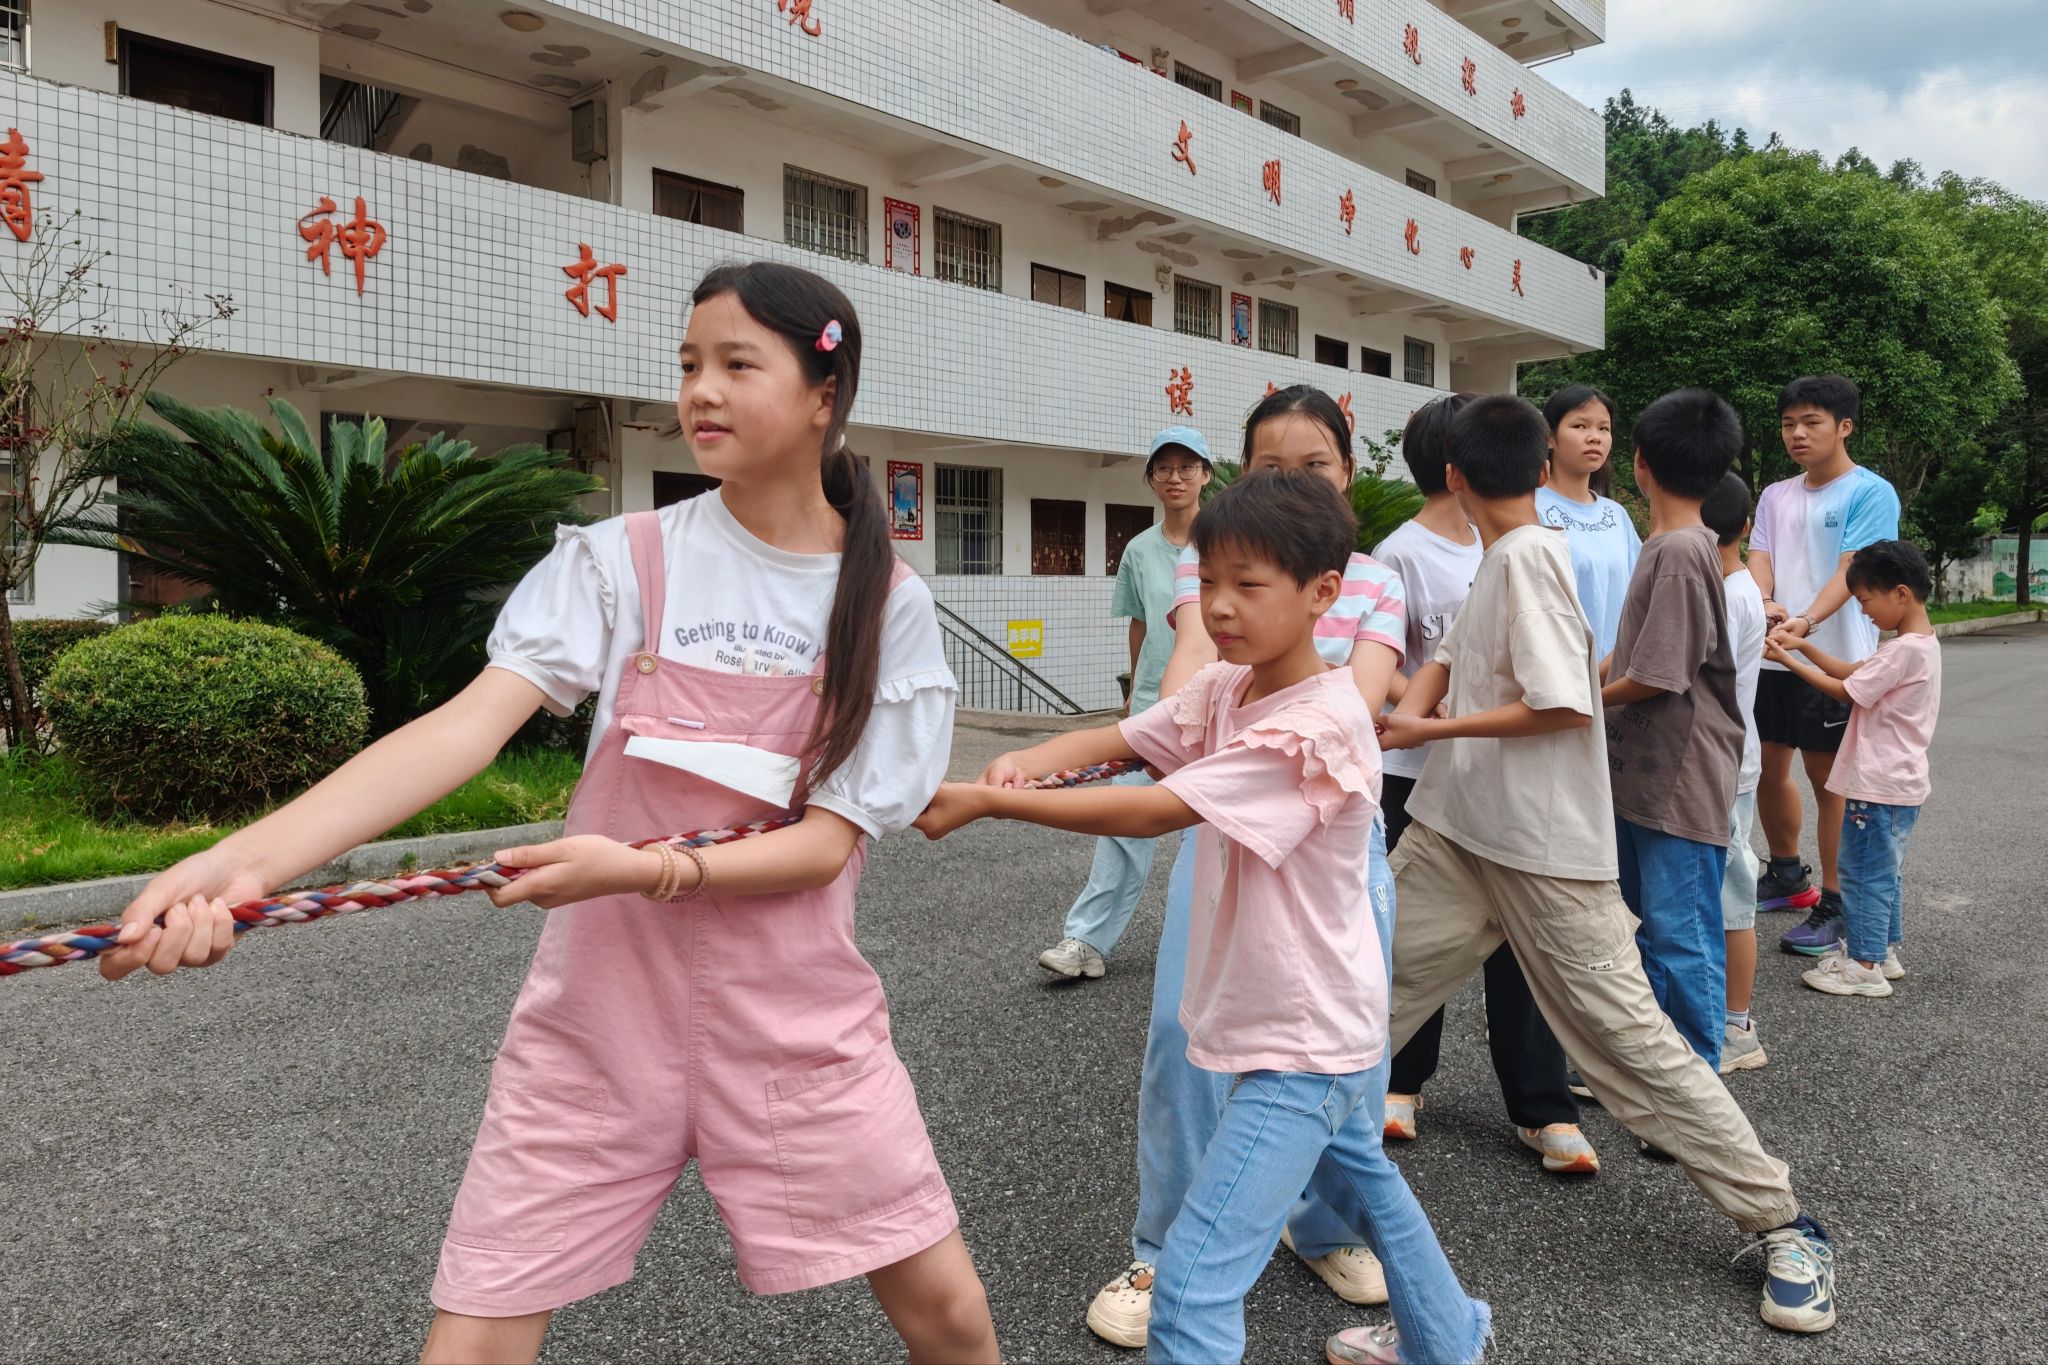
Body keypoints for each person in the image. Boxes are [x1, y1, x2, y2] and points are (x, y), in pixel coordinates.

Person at [92, 262, 1000, 1365]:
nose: (700, 390)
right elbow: (460, 732)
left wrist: (647, 870)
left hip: (801, 1032)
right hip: (596, 1028)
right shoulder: (623, 559)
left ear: (824, 396)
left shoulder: (887, 603)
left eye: (736, 364)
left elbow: (823, 847)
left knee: (951, 1319)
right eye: (688, 364)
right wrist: (242, 865)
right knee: (469, 1346)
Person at [916, 471, 1489, 1365]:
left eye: (1248, 584)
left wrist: (994, 803)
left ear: (1323, 592)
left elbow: (1158, 807)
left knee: (1190, 1288)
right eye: (1209, 579)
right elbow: (1125, 740)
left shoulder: (1318, 725)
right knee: (1370, 1185)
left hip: (1302, 1045)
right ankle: (1451, 1341)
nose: (1219, 605)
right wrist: (1028, 760)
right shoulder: (1230, 686)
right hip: (1299, 1019)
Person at [1368, 394, 1837, 1338]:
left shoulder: (1531, 559)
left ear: (1452, 476)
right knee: (1354, 1004)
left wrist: (1426, 729)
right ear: (1544, 467)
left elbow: (1562, 704)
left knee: (1633, 1047)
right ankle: (1279, 1193)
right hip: (1458, 832)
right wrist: (1400, 712)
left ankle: (1786, 1222)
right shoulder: (1503, 557)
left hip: (1545, 852)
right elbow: (1450, 656)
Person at [1077, 387, 1406, 1348]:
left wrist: (1199, 757)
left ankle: (1324, 1226)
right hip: (1223, 823)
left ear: (1348, 469)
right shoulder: (1216, 561)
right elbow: (1192, 656)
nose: (1293, 482)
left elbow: (1363, 697)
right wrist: (1175, 733)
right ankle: (1165, 1243)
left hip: (1326, 830)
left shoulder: (1374, 581)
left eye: (1314, 466)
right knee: (1184, 1038)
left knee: (1342, 1059)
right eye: (1269, 467)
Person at [1374, 395, 1595, 1175]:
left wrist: (1446, 717)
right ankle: (1399, 1081)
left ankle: (1542, 1104)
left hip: (1504, 774)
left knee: (1522, 950)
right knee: (1416, 935)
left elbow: (1552, 679)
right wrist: (1421, 714)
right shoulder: (1401, 552)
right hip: (1417, 773)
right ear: (1453, 468)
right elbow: (1387, 657)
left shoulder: (1523, 545)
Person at [1598, 391, 1747, 1074]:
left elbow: (1658, 676)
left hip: (1679, 781)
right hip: (1645, 775)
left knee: (1680, 933)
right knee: (1647, 930)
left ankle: (1698, 1081)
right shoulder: (1668, 545)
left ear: (1640, 463)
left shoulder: (1683, 551)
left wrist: (1582, 702)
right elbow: (1632, 653)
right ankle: (1660, 1071)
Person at [1038, 427, 1211, 980]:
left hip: (1220, 706)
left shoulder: (1229, 538)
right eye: (1164, 468)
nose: (1176, 477)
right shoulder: (1139, 549)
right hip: (1154, 705)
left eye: (1187, 467)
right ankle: (1086, 941)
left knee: (1212, 834)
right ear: (1151, 479)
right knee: (1122, 821)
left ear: (1206, 474)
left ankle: (1212, 951)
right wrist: (1135, 690)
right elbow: (1140, 625)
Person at [1747, 376, 1902, 954]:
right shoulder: (1775, 494)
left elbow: (1850, 571)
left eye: (1811, 422)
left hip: (1835, 658)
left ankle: (1837, 902)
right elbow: (1759, 556)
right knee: (1765, 766)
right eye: (1789, 423)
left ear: (1844, 427)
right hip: (1773, 655)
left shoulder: (1870, 492)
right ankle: (1788, 876)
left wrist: (1805, 623)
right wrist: (1765, 602)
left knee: (1829, 780)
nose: (1797, 433)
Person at [1764, 540, 1941, 998]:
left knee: (1862, 874)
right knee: (1884, 873)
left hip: (1877, 783)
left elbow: (1846, 690)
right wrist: (1803, 646)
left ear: (1900, 593)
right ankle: (1882, 951)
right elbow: (1853, 671)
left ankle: (1864, 965)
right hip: (1899, 784)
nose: (1863, 611)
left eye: (1865, 600)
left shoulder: (1902, 652)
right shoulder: (1917, 645)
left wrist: (1787, 660)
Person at [1702, 472, 1772, 1073]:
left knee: (1730, 900)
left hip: (1721, 764)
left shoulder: (1725, 596)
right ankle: (1727, 1021)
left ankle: (1736, 1027)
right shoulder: (1741, 588)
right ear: (1746, 526)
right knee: (1724, 895)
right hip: (1730, 760)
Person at [1536, 385, 1641, 660]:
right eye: (1580, 426)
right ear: (1549, 438)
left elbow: (1641, 594)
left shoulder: (1616, 515)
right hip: (1560, 670)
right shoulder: (1531, 508)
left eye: (1604, 429)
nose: (1595, 437)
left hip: (1617, 673)